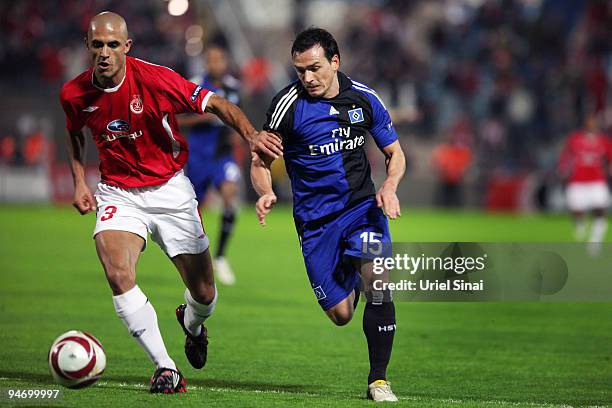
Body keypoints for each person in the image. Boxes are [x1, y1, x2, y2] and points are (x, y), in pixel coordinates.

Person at [59, 12, 281, 394]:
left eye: (114, 45)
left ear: (127, 47)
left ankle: (192, 325)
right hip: (117, 193)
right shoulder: (74, 94)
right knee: (118, 273)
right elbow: (74, 134)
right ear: (88, 47)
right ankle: (165, 367)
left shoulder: (155, 79)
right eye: (98, 45)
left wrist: (251, 135)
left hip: (170, 190)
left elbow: (216, 104)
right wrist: (80, 181)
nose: (105, 53)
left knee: (205, 294)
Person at [251, 28, 406, 402]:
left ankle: (378, 380)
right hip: (316, 224)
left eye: (315, 68)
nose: (307, 78)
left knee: (379, 283)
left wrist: (389, 187)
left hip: (360, 209)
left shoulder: (364, 99)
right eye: (300, 70)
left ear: (335, 62)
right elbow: (259, 160)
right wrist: (266, 190)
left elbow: (395, 154)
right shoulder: (286, 105)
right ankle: (349, 277)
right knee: (341, 315)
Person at [177, 44, 242, 285]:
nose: (216, 64)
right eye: (211, 59)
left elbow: (237, 116)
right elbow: (176, 119)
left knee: (230, 195)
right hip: (197, 157)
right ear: (206, 62)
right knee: (192, 212)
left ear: (225, 61)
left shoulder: (233, 87)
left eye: (220, 59)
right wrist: (204, 118)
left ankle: (221, 256)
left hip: (222, 156)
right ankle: (194, 258)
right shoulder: (193, 85)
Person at [558, 112, 612, 251]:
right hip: (578, 181)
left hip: (597, 181)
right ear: (585, 124)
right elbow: (565, 155)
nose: (592, 124)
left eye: (594, 122)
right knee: (577, 210)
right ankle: (579, 223)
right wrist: (563, 169)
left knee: (600, 209)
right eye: (589, 121)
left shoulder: (604, 141)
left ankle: (595, 241)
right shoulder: (574, 139)